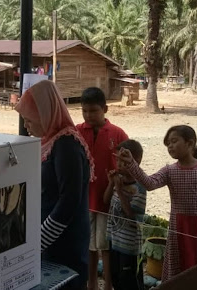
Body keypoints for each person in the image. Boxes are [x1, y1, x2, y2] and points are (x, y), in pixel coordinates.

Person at [115, 125, 197, 281]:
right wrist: (132, 163)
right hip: (179, 229)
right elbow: (150, 183)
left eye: (173, 141)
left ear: (190, 143)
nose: (170, 146)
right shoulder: (169, 171)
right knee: (180, 275)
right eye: (167, 144)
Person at [15, 80, 93, 289]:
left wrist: (38, 242)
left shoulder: (66, 145)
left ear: (45, 114)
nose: (26, 125)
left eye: (29, 119)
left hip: (66, 243)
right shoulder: (51, 141)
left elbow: (68, 201)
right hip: (52, 238)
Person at [76, 87, 128, 290]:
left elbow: (129, 163)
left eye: (93, 111)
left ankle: (108, 285)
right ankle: (91, 284)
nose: (88, 115)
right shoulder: (77, 131)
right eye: (85, 111)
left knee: (105, 246)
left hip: (107, 200)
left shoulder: (118, 133)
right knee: (87, 245)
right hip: (84, 200)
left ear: (105, 109)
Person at [104, 140, 146, 290]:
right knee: (116, 278)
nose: (119, 165)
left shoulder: (140, 187)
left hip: (129, 246)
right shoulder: (119, 181)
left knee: (129, 282)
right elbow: (106, 200)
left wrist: (119, 190)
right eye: (117, 160)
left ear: (136, 161)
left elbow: (131, 215)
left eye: (123, 161)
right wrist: (111, 184)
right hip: (115, 240)